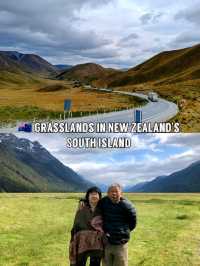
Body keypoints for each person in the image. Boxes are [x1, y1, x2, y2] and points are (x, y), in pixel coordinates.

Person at [100, 183, 137, 266]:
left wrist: (123, 231)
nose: (114, 193)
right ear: (107, 193)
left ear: (121, 193)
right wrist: (83, 201)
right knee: (106, 264)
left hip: (120, 244)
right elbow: (93, 202)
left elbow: (133, 223)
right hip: (106, 242)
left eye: (116, 191)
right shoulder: (104, 202)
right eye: (111, 191)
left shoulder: (128, 206)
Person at [69, 186, 105, 266]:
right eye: (91, 194)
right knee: (80, 262)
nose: (94, 196)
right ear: (87, 196)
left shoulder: (103, 208)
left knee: (95, 263)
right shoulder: (82, 207)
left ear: (99, 196)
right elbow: (77, 225)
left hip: (97, 242)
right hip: (82, 240)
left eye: (96, 194)